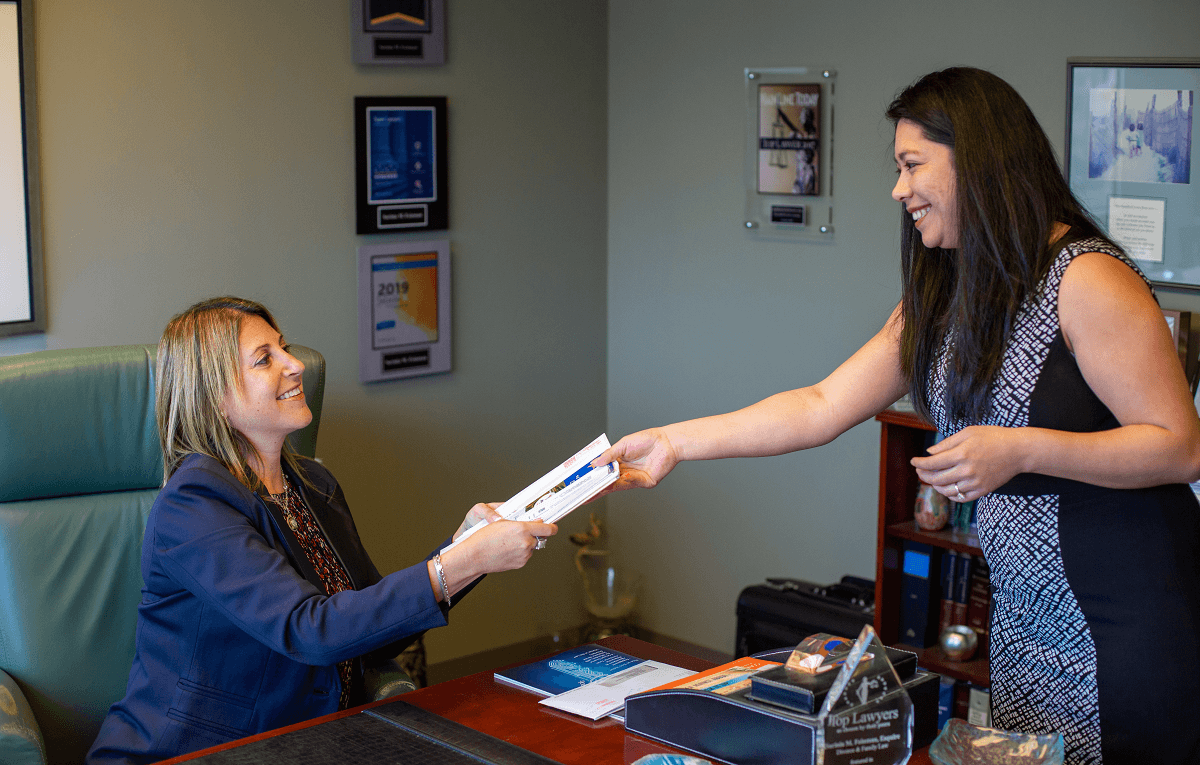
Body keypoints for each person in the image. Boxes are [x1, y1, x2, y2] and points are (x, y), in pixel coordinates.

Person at [594, 68, 1200, 765]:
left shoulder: (1088, 278)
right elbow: (821, 405)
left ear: (977, 160)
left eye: (912, 165)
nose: (899, 190)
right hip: (1026, 624)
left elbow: (1181, 447)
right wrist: (673, 442)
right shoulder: (944, 295)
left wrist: (1023, 450)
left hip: (1125, 620)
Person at [88, 297, 557, 764]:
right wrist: (465, 560)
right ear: (215, 396)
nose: (295, 366)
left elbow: (375, 629)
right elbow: (309, 629)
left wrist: (465, 549)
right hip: (196, 753)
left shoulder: (313, 484)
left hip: (311, 741)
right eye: (265, 359)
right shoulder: (193, 504)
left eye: (284, 348)